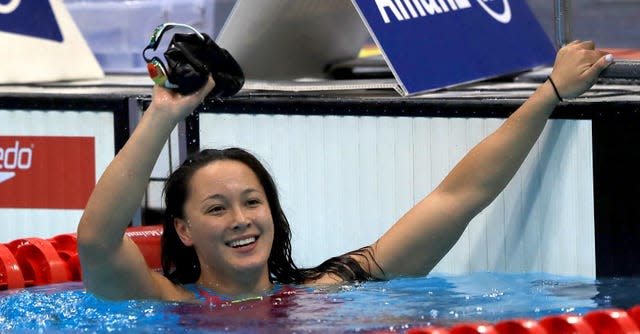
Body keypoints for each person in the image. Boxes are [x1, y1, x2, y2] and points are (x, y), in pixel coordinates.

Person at [77, 40, 613, 302]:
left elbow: (457, 198)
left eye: (252, 201)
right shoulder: (165, 305)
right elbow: (98, 242)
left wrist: (552, 93)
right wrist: (165, 114)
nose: (241, 219)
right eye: (216, 208)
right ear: (184, 230)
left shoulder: (328, 289)